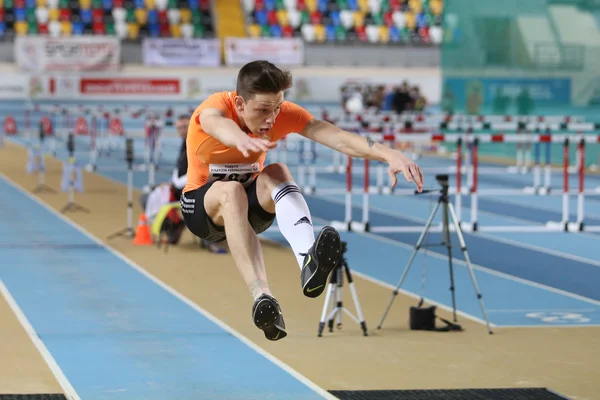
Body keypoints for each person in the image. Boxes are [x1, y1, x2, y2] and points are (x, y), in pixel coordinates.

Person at [181, 60, 424, 341]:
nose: (271, 119)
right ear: (239, 104)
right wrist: (239, 139)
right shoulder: (216, 107)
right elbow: (215, 123)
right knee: (230, 192)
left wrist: (388, 153)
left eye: (276, 108)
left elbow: (338, 138)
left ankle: (308, 261)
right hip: (202, 209)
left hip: (251, 208)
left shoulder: (279, 113)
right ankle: (261, 295)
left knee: (277, 171)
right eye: (262, 110)